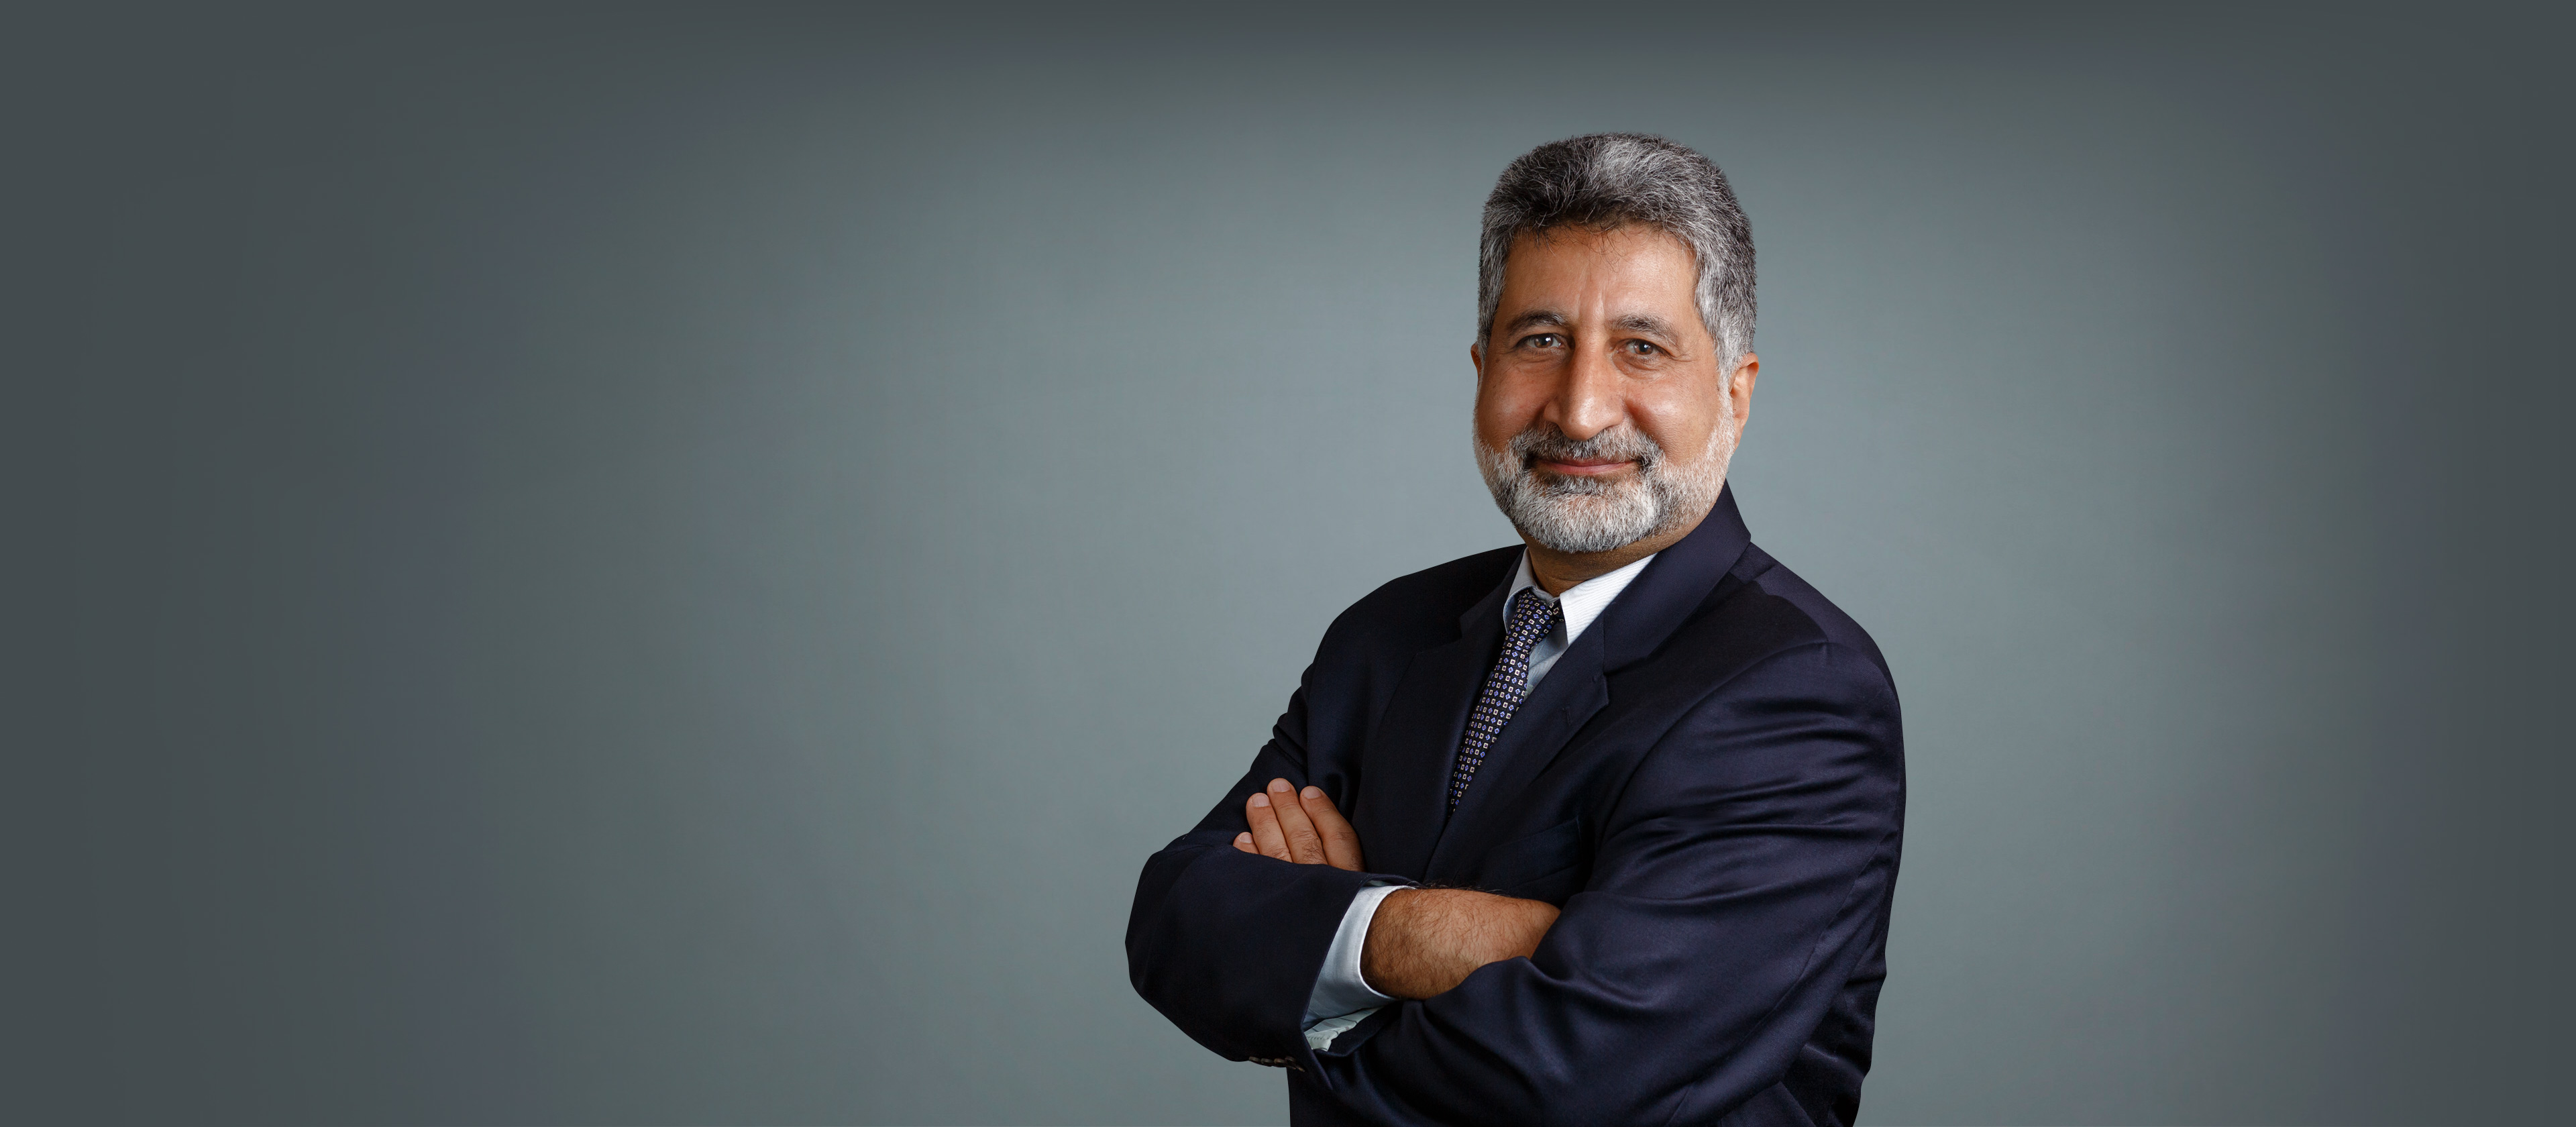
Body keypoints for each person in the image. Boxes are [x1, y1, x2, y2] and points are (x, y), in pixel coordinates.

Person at [1125, 133, 1905, 1127]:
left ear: (1735, 392)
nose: (1579, 412)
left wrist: (1312, 969)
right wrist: (1409, 935)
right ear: (1481, 367)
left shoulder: (1800, 691)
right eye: (1540, 340)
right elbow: (1176, 924)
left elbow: (1573, 1078)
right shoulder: (1385, 637)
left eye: (1642, 347)